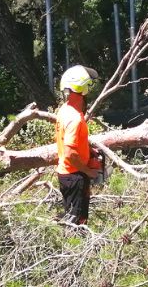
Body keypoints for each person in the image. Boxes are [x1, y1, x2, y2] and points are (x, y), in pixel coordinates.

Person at [55, 65, 102, 226]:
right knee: (77, 223)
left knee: (71, 217)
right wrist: (89, 171)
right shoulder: (74, 118)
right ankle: (75, 249)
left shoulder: (64, 110)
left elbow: (70, 142)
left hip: (66, 173)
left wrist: (88, 150)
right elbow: (70, 153)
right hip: (75, 175)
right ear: (83, 88)